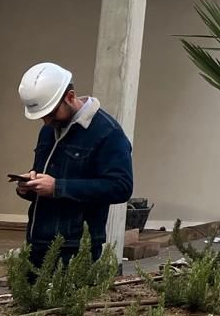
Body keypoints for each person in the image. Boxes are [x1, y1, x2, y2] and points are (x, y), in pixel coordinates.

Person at [15, 62, 134, 267]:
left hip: (77, 248)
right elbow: (47, 177)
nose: (46, 121)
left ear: (70, 97)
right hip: (38, 242)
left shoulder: (107, 132)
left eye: (51, 114)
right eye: (42, 116)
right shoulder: (48, 130)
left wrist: (58, 187)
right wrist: (29, 186)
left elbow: (120, 187)